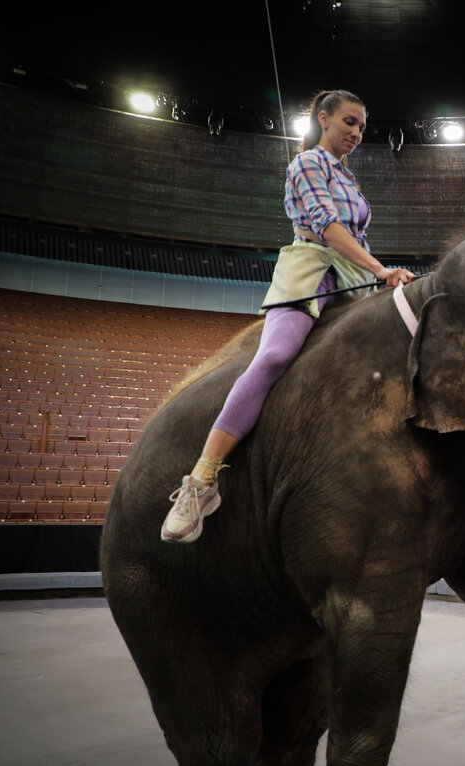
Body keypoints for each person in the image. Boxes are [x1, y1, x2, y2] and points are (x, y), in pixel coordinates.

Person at [161, 89, 415, 543]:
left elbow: (356, 240)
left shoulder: (350, 179)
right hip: (310, 272)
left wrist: (383, 277)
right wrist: (378, 269)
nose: (357, 132)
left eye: (362, 125)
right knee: (275, 357)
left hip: (353, 280)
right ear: (324, 118)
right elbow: (326, 225)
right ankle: (200, 482)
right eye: (349, 122)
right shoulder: (307, 165)